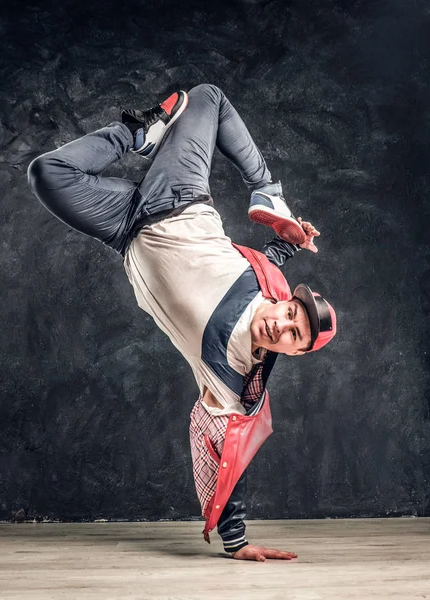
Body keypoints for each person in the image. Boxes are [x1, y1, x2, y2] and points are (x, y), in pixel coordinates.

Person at [27, 84, 337, 562]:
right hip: (179, 198)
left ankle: (134, 132)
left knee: (47, 173)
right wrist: (289, 234)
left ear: (292, 353)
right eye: (291, 313)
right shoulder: (271, 286)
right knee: (209, 96)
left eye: (295, 335)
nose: (283, 324)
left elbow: (231, 455)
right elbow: (270, 260)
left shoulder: (234, 377)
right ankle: (268, 192)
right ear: (286, 302)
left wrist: (236, 542)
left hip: (127, 229)